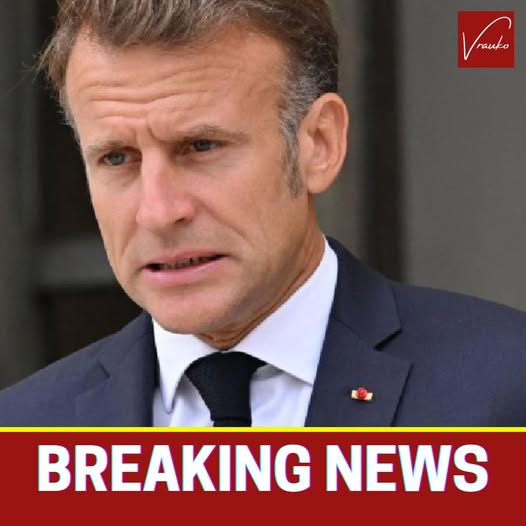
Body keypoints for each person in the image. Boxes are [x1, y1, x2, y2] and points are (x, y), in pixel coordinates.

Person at [1, 0, 526, 427]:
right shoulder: (26, 433)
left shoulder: (505, 388)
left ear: (318, 144)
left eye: (201, 147)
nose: (158, 212)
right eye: (117, 158)